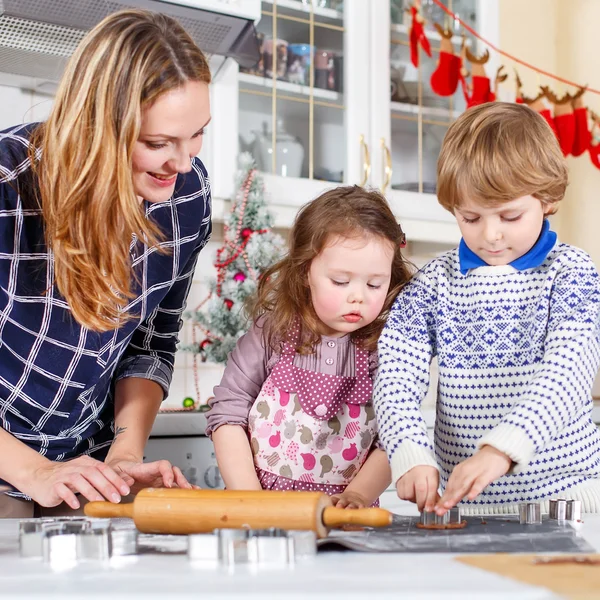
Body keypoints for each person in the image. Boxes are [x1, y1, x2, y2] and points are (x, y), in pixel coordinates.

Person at [0, 9, 213, 517]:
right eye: (158, 143)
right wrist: (34, 472)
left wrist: (122, 455)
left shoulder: (186, 199)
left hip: (80, 469)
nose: (182, 164)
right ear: (98, 126)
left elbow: (150, 342)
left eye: (198, 134)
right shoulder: (9, 189)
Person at [374, 101, 600, 516]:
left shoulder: (571, 272)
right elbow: (395, 373)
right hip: (466, 511)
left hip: (569, 503)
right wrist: (409, 449)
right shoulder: (434, 283)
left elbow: (568, 373)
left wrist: (501, 450)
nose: (491, 235)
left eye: (510, 215)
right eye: (471, 217)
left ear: (547, 198)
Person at [206, 186, 412, 507]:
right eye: (341, 281)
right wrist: (251, 500)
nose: (358, 296)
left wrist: (356, 497)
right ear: (306, 272)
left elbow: (394, 438)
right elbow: (228, 415)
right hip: (260, 512)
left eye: (374, 284)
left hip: (343, 520)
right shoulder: (271, 332)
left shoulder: (386, 350)